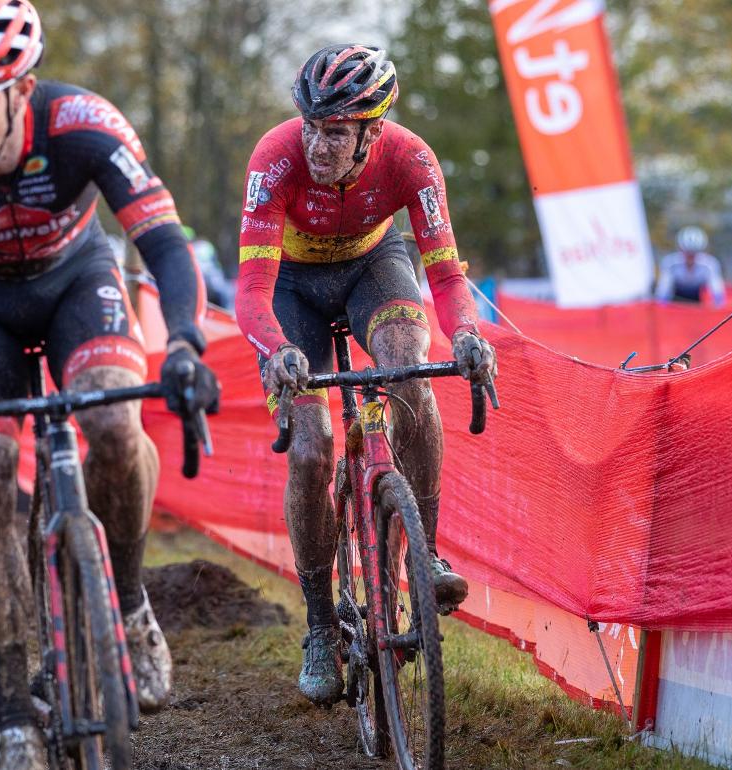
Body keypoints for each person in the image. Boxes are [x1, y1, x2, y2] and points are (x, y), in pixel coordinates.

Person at [0, 1, 218, 765]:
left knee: (118, 429)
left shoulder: (84, 124)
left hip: (75, 281)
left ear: (22, 91)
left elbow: (162, 241)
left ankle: (128, 606)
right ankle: (10, 716)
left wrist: (187, 342)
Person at [235, 44, 496, 706]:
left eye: (336, 132)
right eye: (312, 126)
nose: (319, 145)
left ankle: (425, 556)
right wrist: (275, 348)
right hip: (290, 285)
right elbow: (250, 292)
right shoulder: (276, 157)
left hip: (373, 265)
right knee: (310, 448)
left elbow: (446, 272)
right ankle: (321, 627)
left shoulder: (410, 158)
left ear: (371, 131)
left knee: (410, 367)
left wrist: (468, 334)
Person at [655, 225, 725, 307]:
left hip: (697, 299)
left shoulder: (710, 264)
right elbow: (663, 291)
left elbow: (717, 290)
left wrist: (718, 306)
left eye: (694, 254)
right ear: (681, 250)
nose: (690, 257)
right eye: (687, 253)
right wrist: (661, 307)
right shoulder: (670, 263)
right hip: (675, 300)